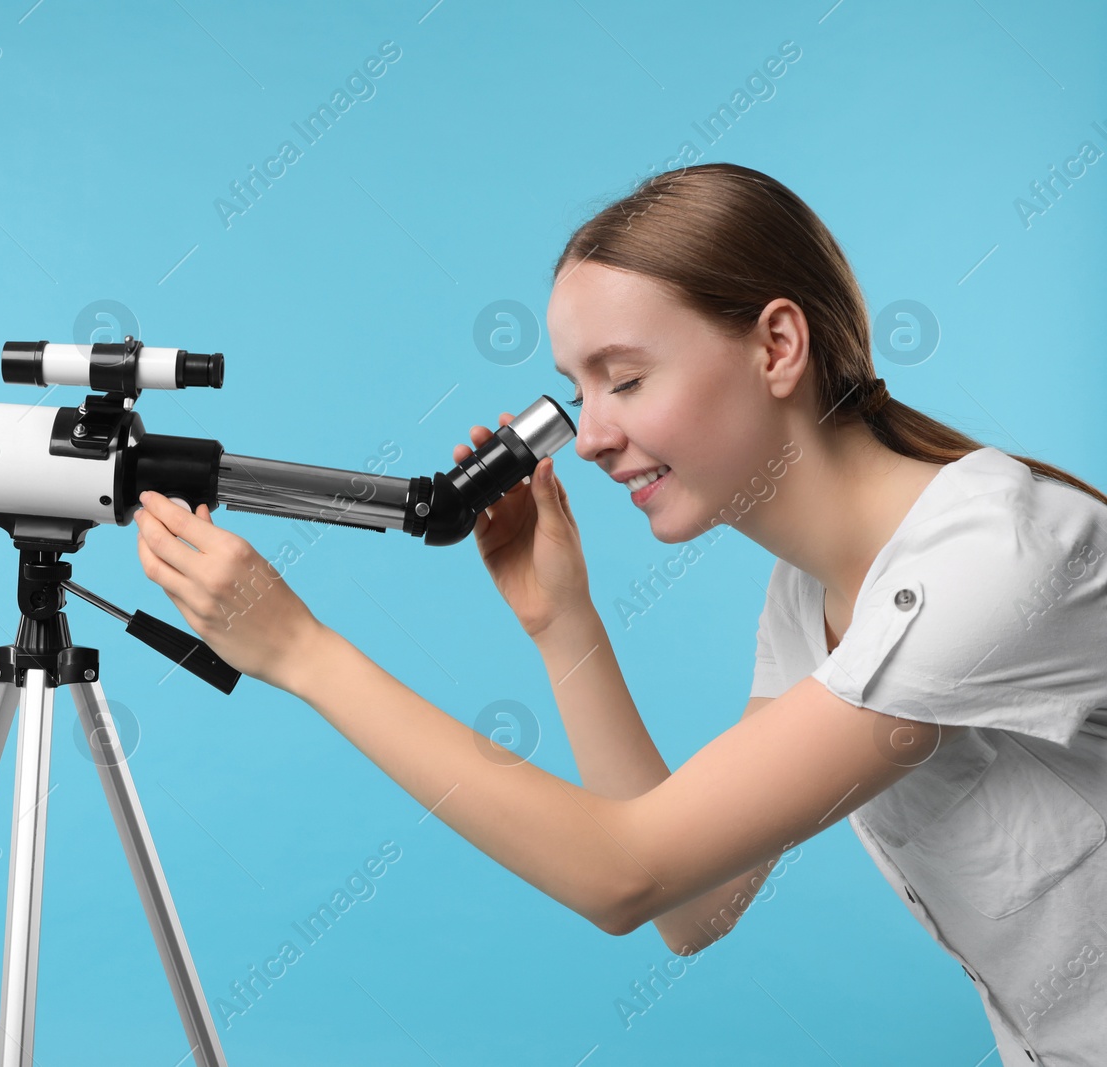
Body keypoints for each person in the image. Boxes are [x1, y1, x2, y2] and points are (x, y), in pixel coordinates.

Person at [132, 163, 1107, 1065]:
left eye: (626, 378)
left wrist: (304, 654)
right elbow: (693, 904)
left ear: (777, 345)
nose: (591, 436)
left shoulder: (994, 557)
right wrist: (565, 623)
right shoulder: (808, 594)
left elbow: (625, 876)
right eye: (576, 389)